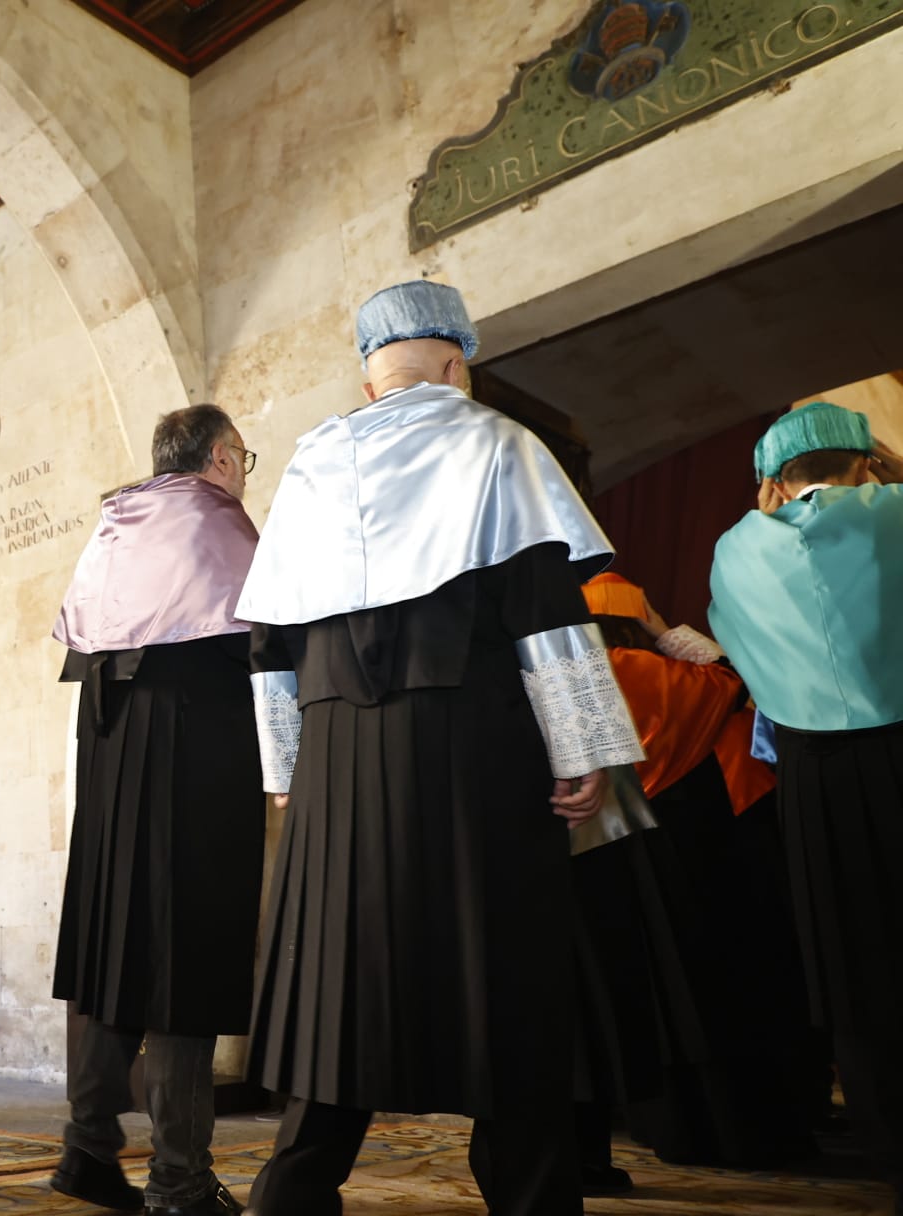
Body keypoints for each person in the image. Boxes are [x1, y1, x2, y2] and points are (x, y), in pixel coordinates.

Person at [236, 281, 643, 1216]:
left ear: (369, 373)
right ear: (458, 358)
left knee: (336, 987)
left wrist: (287, 775)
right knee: (504, 981)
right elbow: (546, 611)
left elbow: (266, 646)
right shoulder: (498, 443)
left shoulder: (305, 466)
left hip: (336, 766)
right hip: (480, 759)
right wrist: (586, 751)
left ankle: (290, 1193)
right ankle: (530, 1196)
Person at [48, 404, 263, 1216]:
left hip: (109, 766)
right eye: (243, 456)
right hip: (195, 754)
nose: (244, 471)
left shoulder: (115, 528)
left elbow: (85, 652)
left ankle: (86, 1153)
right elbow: (269, 646)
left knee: (108, 948)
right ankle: (179, 1178)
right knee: (185, 953)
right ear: (218, 457)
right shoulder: (217, 523)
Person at [708, 400, 903, 1207]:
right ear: (869, 459)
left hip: (818, 781)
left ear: (773, 478)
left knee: (859, 981)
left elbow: (743, 656)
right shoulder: (895, 509)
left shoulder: (734, 549)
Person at [579, 573, 817, 1168]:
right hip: (714, 855)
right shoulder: (671, 675)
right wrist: (666, 633)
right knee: (738, 990)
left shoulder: (577, 683)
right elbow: (745, 677)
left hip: (624, 852)